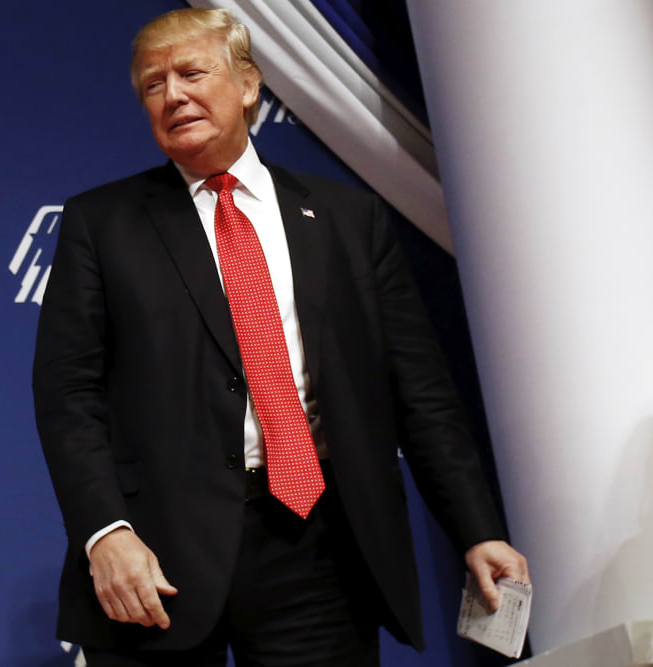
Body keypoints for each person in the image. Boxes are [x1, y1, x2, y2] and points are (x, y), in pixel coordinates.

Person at [33, 8, 529, 666]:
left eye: (191, 72)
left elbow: (420, 390)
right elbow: (68, 394)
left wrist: (477, 527)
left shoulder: (350, 220)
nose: (172, 94)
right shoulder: (101, 223)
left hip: (319, 543)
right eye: (152, 85)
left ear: (247, 84)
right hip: (159, 554)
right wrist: (105, 532)